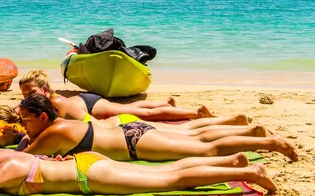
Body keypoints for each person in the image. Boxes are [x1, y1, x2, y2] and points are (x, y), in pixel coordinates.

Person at [0, 128, 277, 196]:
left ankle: (246, 173)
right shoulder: (1, 157)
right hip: (89, 164)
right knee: (168, 171)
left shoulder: (1, 171)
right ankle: (232, 162)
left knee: (173, 178)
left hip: (91, 177)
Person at [16, 95, 298, 163]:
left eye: (26, 120)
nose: (24, 125)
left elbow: (25, 157)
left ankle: (271, 144)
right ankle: (251, 132)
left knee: (205, 149)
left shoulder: (52, 134)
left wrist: (21, 141)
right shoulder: (61, 124)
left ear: (42, 117)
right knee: (196, 137)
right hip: (132, 133)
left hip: (133, 143)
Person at [18, 69, 251, 133]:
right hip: (89, 105)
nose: (28, 98)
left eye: (31, 92)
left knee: (143, 115)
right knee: (134, 108)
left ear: (46, 89)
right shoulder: (46, 103)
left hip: (91, 106)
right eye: (25, 95)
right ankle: (168, 107)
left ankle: (195, 115)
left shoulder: (55, 104)